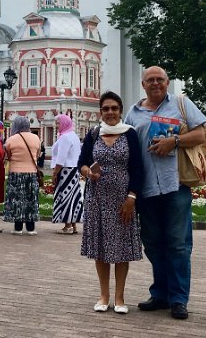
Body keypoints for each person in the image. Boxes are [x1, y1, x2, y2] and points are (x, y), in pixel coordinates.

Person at [124, 66, 206, 321]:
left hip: (175, 185)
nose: (156, 83)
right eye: (150, 80)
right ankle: (160, 293)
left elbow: (201, 133)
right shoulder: (133, 112)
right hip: (147, 189)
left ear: (168, 82)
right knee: (152, 243)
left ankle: (179, 298)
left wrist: (175, 141)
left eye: (160, 79)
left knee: (178, 245)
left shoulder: (181, 104)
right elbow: (126, 146)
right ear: (143, 84)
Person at [79, 91, 143, 314]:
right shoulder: (94, 134)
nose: (110, 112)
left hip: (122, 200)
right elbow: (82, 163)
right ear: (100, 112)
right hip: (97, 199)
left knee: (122, 248)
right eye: (105, 109)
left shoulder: (130, 135)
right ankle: (104, 295)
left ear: (120, 110)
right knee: (101, 248)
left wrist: (131, 198)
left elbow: (137, 169)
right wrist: (88, 172)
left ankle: (120, 297)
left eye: (114, 108)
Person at [3, 116, 41, 235]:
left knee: (17, 200)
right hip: (32, 173)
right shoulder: (36, 138)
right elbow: (38, 154)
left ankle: (18, 227)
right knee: (31, 199)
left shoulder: (11, 139)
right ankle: (31, 228)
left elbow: (8, 155)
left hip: (16, 173)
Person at [50, 113, 83, 235]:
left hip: (65, 170)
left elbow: (61, 157)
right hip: (73, 170)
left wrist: (55, 173)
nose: (56, 125)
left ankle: (67, 226)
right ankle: (73, 225)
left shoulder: (64, 137)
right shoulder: (73, 135)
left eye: (58, 123)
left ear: (64, 123)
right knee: (73, 196)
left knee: (65, 196)